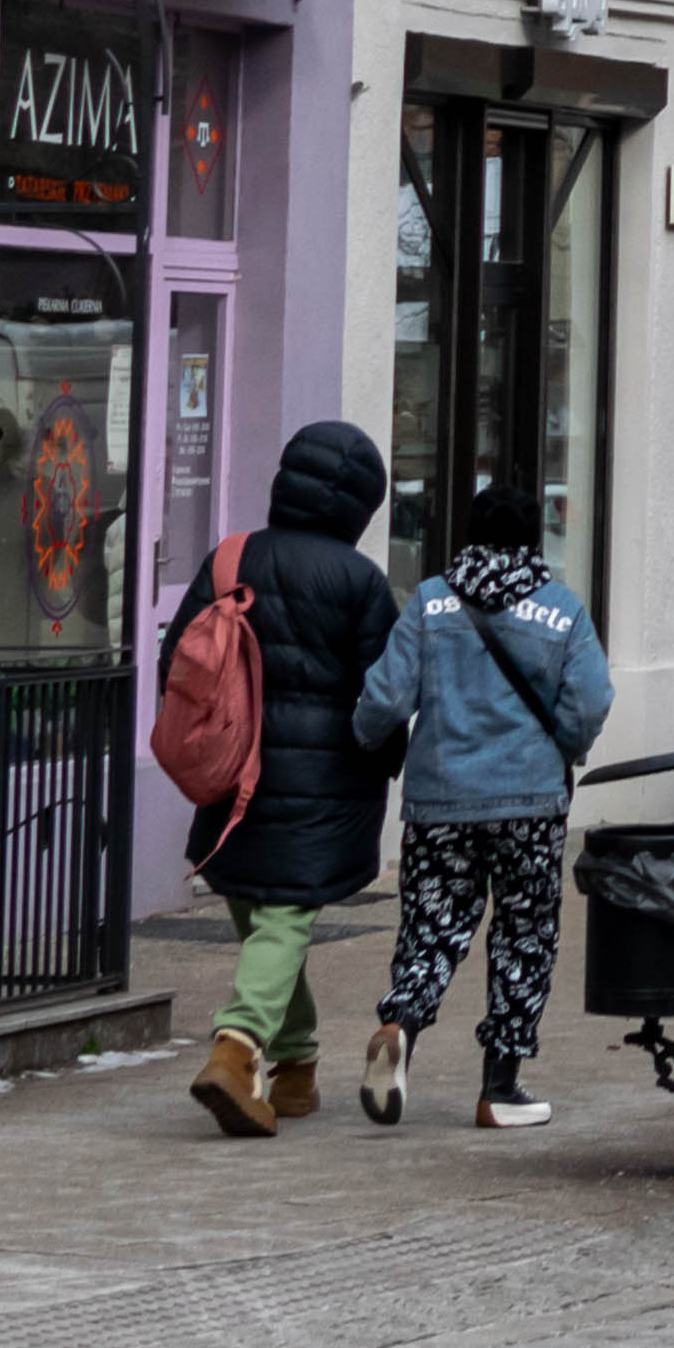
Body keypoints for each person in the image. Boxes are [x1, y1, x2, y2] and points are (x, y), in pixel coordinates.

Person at [351, 474, 617, 1127]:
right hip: (530, 802)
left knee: (430, 927)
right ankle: (500, 1085)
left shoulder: (431, 602)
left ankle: (401, 1023)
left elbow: (385, 698)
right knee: (525, 934)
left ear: (469, 534)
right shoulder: (562, 610)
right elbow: (591, 700)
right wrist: (564, 748)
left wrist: (362, 736)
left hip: (439, 801)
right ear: (533, 538)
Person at [164, 418, 398, 1136]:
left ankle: (294, 1070)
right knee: (285, 915)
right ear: (360, 505)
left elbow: (180, 655)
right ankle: (236, 1049)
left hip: (234, 772)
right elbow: (383, 691)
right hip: (323, 783)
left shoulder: (231, 556)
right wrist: (387, 762)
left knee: (266, 914)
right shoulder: (361, 580)